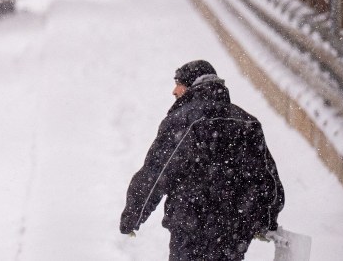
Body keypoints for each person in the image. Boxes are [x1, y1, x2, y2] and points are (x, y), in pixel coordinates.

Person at [120, 60, 284, 261]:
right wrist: (267, 220)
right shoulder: (246, 121)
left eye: (178, 83)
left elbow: (157, 172)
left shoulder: (184, 120)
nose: (174, 90)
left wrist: (133, 215)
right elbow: (266, 177)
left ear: (191, 85)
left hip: (191, 226)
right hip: (233, 231)